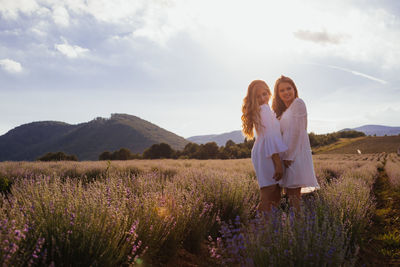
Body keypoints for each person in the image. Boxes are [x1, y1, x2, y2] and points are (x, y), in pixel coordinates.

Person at [272, 75, 320, 211]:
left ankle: (299, 228)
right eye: (282, 90)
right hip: (286, 155)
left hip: (294, 156)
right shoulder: (284, 111)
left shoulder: (298, 103)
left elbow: (298, 131)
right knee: (291, 197)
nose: (286, 92)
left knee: (294, 197)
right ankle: (297, 227)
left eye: (289, 88)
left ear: (294, 89)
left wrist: (289, 156)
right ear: (278, 94)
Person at [241, 80, 288, 213]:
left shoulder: (264, 110)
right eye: (258, 96)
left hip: (263, 151)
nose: (262, 98)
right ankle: (261, 227)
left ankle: (265, 226)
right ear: (253, 99)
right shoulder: (264, 110)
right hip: (267, 153)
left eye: (265, 94)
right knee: (269, 190)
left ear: (269, 92)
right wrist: (278, 162)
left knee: (274, 192)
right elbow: (269, 136)